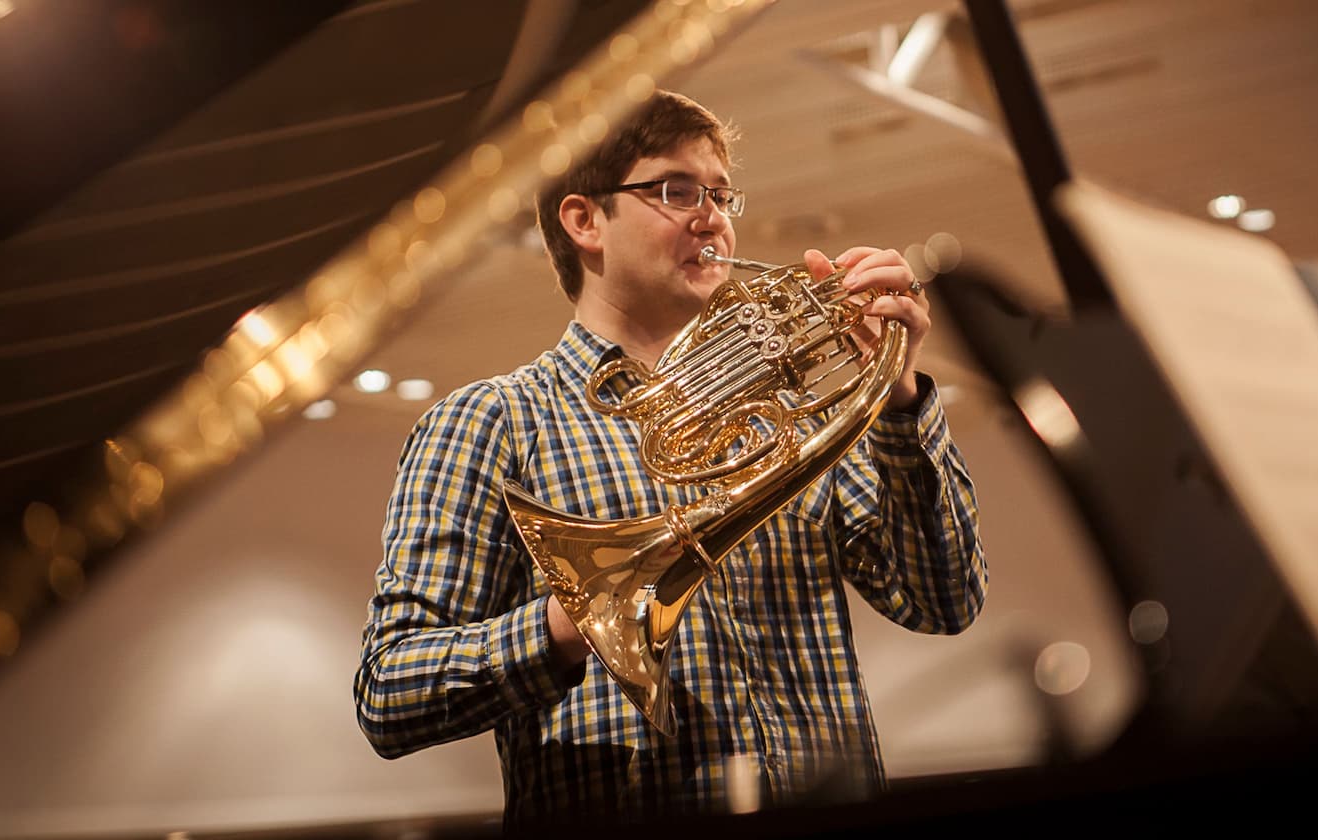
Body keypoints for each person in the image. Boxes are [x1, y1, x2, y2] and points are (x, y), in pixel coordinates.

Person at [353, 89, 988, 829]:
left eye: (721, 195)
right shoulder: (489, 421)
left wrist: (901, 398)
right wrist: (572, 622)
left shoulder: (794, 406)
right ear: (584, 219)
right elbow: (389, 693)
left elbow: (943, 602)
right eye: (675, 191)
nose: (712, 216)